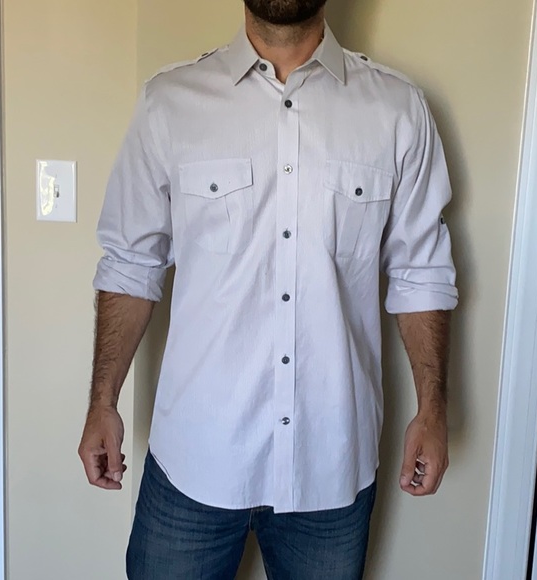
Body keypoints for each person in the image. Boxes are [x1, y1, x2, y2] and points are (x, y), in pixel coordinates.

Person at [78, 0, 458, 578]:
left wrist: (432, 408)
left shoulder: (397, 109)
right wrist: (102, 400)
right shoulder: (170, 103)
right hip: (194, 459)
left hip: (331, 463)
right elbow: (132, 263)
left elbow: (421, 271)